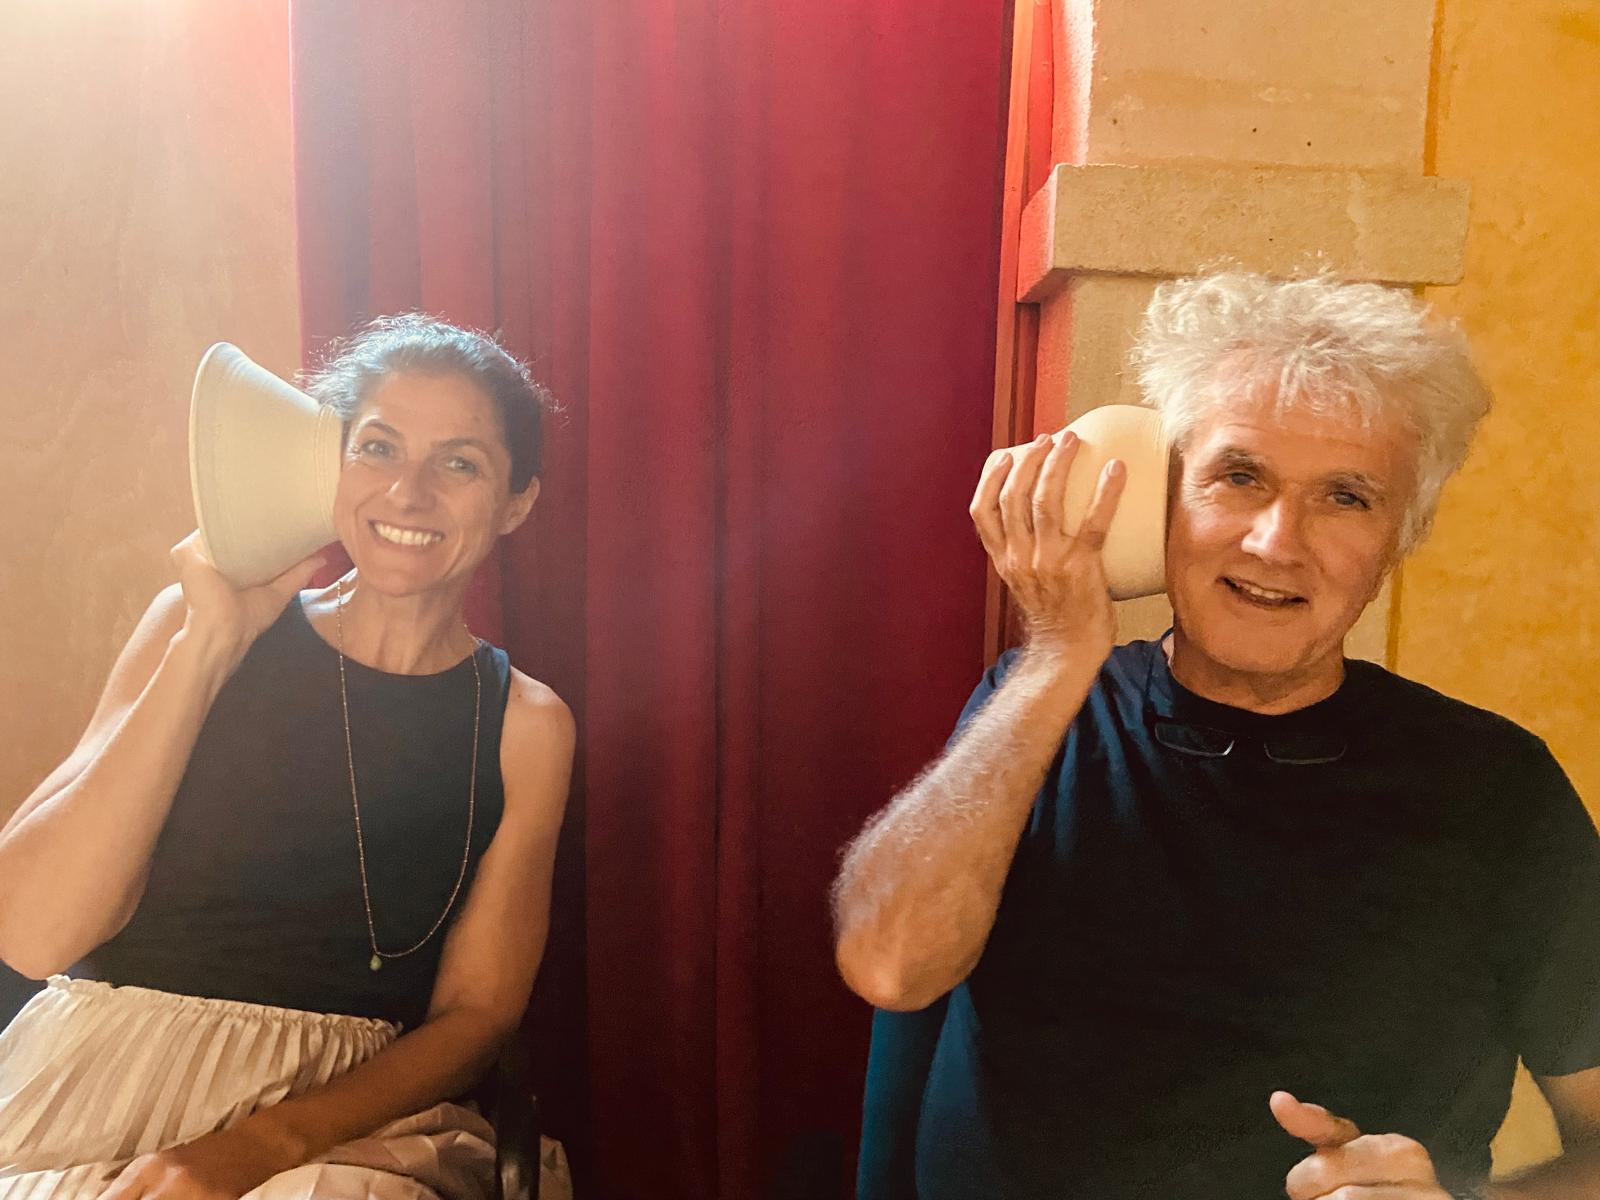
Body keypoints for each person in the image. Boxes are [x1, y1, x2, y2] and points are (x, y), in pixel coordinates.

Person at [832, 274, 1600, 1200]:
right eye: (1240, 477)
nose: (1276, 543)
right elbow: (890, 964)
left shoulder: (1497, 789)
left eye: (1346, 497)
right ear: (1163, 501)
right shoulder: (1037, 711)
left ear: (1400, 537)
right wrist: (1055, 656)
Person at [0, 314, 575, 1200]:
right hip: (90, 1088)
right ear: (329, 463)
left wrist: (253, 1149)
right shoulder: (196, 623)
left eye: (459, 463)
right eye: (377, 447)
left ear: (516, 502)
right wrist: (207, 646)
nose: (408, 492)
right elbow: (36, 934)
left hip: (339, 1129)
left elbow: (478, 1014)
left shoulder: (526, 724)